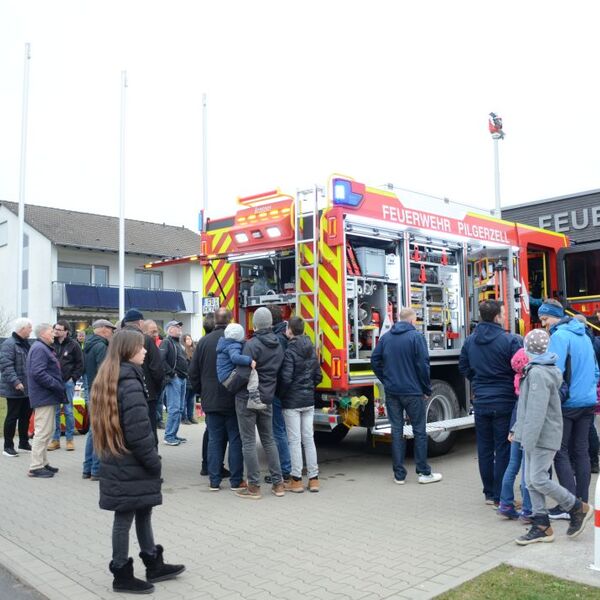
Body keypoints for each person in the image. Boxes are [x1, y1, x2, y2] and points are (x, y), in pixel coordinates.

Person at [91, 329, 185, 594]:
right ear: (128, 351)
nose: (146, 351)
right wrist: (154, 462)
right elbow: (138, 431)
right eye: (141, 347)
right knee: (125, 516)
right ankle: (121, 574)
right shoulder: (129, 381)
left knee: (143, 509)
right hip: (131, 461)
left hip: (120, 458)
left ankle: (153, 562)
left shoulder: (112, 376)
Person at [513, 328, 594, 545]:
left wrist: (526, 439)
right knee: (531, 481)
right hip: (534, 435)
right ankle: (542, 525)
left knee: (538, 478)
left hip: (541, 436)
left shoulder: (538, 373)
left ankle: (578, 508)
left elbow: (536, 412)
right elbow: (526, 408)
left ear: (528, 349)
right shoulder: (538, 370)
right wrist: (518, 431)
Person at [537, 299, 599, 521]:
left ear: (555, 316)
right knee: (581, 451)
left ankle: (569, 505)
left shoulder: (559, 336)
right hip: (588, 401)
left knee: (560, 452)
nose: (544, 324)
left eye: (545, 319)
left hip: (568, 404)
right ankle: (582, 502)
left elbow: (554, 372)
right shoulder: (584, 335)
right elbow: (596, 370)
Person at [459, 300, 522, 505]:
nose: (504, 316)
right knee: (503, 448)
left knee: (484, 449)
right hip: (504, 401)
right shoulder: (509, 340)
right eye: (503, 313)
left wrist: (478, 382)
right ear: (497, 317)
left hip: (482, 401)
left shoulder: (470, 341)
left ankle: (488, 492)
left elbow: (464, 367)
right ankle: (500, 495)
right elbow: (520, 368)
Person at [371, 307, 442, 485]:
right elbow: (423, 365)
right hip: (412, 392)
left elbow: (374, 360)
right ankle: (423, 472)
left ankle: (399, 475)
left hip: (392, 391)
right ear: (412, 321)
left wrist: (385, 379)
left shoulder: (386, 338)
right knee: (419, 431)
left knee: (396, 431)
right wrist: (426, 389)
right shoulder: (416, 338)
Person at [188, 308, 243, 491]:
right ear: (231, 320)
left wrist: (202, 392)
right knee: (235, 439)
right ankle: (236, 481)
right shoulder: (236, 341)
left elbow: (193, 373)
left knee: (214, 439)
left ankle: (214, 481)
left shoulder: (203, 342)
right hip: (233, 398)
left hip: (211, 400)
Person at [233, 307, 285, 499]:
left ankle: (254, 487)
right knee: (269, 440)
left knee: (248, 442)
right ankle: (278, 484)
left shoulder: (251, 345)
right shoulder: (279, 344)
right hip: (268, 398)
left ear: (254, 324)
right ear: (271, 323)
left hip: (247, 398)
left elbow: (243, 374)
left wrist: (231, 387)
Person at [278, 316, 322, 493]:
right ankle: (314, 479)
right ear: (303, 330)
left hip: (292, 402)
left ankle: (296, 480)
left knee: (294, 441)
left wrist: (282, 395)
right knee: (309, 439)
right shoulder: (311, 349)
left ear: (289, 330)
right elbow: (318, 376)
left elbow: (286, 378)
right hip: (308, 400)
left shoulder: (289, 351)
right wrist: (309, 388)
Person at [25, 323, 66, 478]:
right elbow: (38, 372)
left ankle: (43, 462)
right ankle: (36, 466)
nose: (54, 334)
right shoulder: (40, 349)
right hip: (44, 396)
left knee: (47, 430)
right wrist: (56, 384)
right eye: (51, 331)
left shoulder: (41, 347)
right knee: (42, 432)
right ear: (43, 333)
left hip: (46, 396)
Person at [497, 347, 532, 521]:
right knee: (527, 468)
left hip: (515, 424)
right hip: (525, 426)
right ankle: (528, 508)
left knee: (512, 465)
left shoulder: (517, 380)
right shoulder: (531, 380)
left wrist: (512, 429)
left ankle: (505, 503)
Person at [122, 310, 165, 443]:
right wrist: (157, 389)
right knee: (149, 429)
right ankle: (151, 457)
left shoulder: (117, 338)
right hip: (147, 393)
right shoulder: (145, 339)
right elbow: (157, 368)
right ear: (140, 322)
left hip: (121, 392)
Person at [82, 319, 116, 480]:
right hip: (100, 392)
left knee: (92, 431)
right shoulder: (101, 346)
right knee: (99, 431)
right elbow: (105, 371)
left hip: (91, 389)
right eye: (111, 329)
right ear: (102, 329)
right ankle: (96, 469)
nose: (112, 332)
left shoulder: (88, 345)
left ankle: (87, 468)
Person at [265, 305, 292, 484]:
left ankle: (284, 470)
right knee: (281, 430)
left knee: (278, 431)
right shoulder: (284, 335)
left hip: (275, 391)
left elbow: (277, 368)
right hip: (281, 390)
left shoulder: (277, 339)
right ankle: (286, 468)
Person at [48, 320, 84, 452]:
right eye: (55, 328)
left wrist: (72, 379)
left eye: (59, 329)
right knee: (56, 412)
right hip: (54, 382)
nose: (56, 331)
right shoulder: (51, 343)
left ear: (66, 331)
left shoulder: (73, 345)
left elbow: (80, 364)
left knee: (68, 410)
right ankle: (55, 440)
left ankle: (69, 440)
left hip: (67, 382)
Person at [0, 318, 33, 457]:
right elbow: (6, 366)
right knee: (12, 416)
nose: (31, 330)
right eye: (29, 328)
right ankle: (8, 446)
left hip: (27, 388)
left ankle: (23, 443)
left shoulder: (26, 344)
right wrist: (16, 382)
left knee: (26, 415)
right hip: (14, 388)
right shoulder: (9, 344)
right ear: (22, 328)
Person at [216, 323, 264, 408]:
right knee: (252, 372)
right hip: (228, 377)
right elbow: (235, 357)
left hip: (223, 377)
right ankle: (253, 397)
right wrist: (249, 360)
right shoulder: (233, 345)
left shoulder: (225, 343)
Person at [159, 321, 188, 446]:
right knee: (174, 409)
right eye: (177, 327)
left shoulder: (177, 342)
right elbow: (161, 359)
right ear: (170, 330)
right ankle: (169, 436)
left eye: (180, 326)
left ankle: (173, 434)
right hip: (174, 379)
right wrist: (171, 373)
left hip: (182, 379)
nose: (180, 328)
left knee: (180, 408)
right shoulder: (166, 342)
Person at [181, 334, 199, 424]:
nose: (189, 340)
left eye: (189, 338)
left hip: (193, 378)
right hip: (187, 377)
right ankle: (184, 418)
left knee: (191, 399)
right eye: (187, 339)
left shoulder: (195, 350)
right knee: (185, 398)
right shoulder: (183, 351)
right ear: (183, 341)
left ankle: (190, 416)